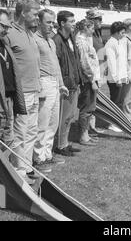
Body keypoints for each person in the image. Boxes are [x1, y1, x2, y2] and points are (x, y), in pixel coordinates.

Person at [6, 0, 41, 179]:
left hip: (34, 90)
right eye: (34, 14)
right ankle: (18, 171)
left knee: (31, 130)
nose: (37, 17)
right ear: (23, 13)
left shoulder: (29, 33)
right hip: (21, 92)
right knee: (20, 132)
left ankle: (26, 167)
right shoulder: (9, 33)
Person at [33, 9, 69, 172]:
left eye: (53, 22)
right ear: (39, 22)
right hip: (43, 83)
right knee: (43, 122)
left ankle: (47, 154)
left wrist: (61, 84)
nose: (51, 25)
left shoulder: (51, 41)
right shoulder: (35, 40)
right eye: (48, 22)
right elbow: (34, 66)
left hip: (54, 82)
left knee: (53, 122)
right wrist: (39, 86)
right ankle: (38, 158)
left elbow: (56, 65)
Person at [53, 11, 82, 157]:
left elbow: (75, 60)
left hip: (74, 82)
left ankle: (64, 143)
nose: (74, 23)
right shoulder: (56, 40)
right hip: (65, 84)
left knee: (70, 116)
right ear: (62, 23)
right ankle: (59, 145)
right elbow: (57, 64)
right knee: (63, 117)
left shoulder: (70, 37)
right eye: (71, 21)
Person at [0, 10, 27, 153]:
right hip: (0, 101)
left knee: (8, 139)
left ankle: (7, 174)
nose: (6, 30)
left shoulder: (5, 45)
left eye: (8, 27)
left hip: (9, 100)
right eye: (3, 26)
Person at [76, 19, 101, 146]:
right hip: (87, 79)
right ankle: (83, 136)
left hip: (91, 78)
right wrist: (91, 80)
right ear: (85, 28)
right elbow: (84, 62)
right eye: (91, 28)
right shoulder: (80, 41)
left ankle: (86, 134)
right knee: (86, 108)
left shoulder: (86, 40)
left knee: (90, 107)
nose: (93, 30)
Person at [105, 22, 129, 110]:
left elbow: (122, 61)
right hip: (115, 79)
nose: (123, 35)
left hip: (122, 76)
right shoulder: (111, 43)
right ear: (116, 32)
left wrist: (125, 75)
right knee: (115, 103)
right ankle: (113, 123)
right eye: (122, 33)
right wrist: (116, 79)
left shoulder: (119, 42)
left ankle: (119, 123)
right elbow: (111, 63)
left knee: (120, 102)